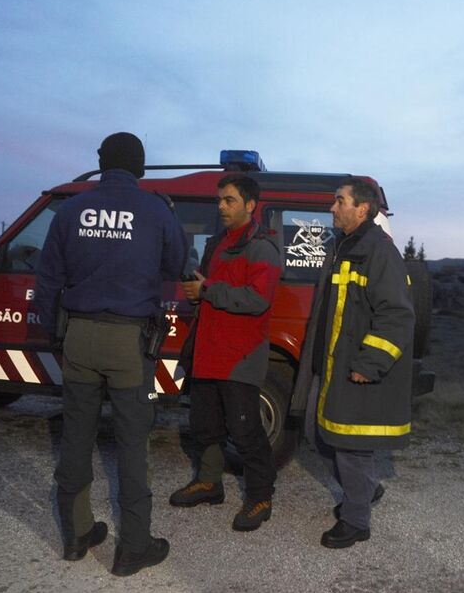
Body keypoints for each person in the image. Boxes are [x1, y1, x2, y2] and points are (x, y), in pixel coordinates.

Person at [35, 132, 186, 576]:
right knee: (132, 444)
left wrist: (57, 333)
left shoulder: (71, 208)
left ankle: (77, 535)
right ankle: (133, 547)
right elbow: (176, 265)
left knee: (76, 438)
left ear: (102, 163)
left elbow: (47, 279)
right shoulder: (156, 209)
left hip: (79, 335)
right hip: (128, 341)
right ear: (139, 167)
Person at [291, 177, 414, 549]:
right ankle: (366, 489)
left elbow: (398, 315)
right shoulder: (345, 247)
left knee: (351, 445)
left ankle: (356, 520)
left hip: (356, 369)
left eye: (339, 201)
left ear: (362, 208)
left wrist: (370, 362)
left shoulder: (379, 252)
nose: (332, 208)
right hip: (329, 366)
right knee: (317, 433)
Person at [168, 174, 282, 532]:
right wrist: (197, 289)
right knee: (205, 426)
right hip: (208, 351)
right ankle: (209, 483)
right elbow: (210, 286)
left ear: (250, 205)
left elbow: (258, 298)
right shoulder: (217, 243)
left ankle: (260, 497)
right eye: (220, 200)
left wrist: (209, 289)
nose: (221, 207)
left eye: (229, 200)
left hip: (239, 356)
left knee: (246, 431)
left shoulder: (262, 247)